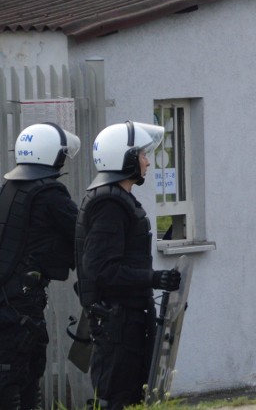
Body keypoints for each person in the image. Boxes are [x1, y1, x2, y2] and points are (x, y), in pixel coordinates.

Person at [75, 121, 181, 410]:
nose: (147, 161)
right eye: (142, 155)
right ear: (124, 159)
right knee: (117, 398)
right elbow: (102, 270)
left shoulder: (118, 199)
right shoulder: (109, 203)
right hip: (117, 322)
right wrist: (154, 278)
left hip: (127, 318)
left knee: (135, 395)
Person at [0, 123, 80, 410]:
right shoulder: (50, 193)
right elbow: (82, 232)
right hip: (23, 303)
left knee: (11, 373)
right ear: (53, 156)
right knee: (24, 376)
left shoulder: (9, 188)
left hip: (8, 299)